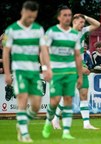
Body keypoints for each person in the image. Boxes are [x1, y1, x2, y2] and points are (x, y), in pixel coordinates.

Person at [2, 1, 52, 142]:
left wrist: (46, 69)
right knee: (22, 101)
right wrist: (7, 73)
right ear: (22, 12)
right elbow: (6, 53)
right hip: (19, 72)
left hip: (34, 72)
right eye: (29, 17)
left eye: (33, 17)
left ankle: (22, 123)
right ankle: (24, 134)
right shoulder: (11, 30)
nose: (31, 20)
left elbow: (43, 51)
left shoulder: (38, 29)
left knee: (36, 104)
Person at [52, 13, 100, 130]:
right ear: (74, 22)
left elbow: (97, 24)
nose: (82, 25)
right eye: (80, 22)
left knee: (83, 94)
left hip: (80, 65)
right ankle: (55, 119)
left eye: (83, 23)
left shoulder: (82, 31)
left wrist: (86, 16)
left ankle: (86, 124)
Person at [42, 5, 83, 139]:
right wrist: (45, 69)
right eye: (64, 15)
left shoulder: (74, 34)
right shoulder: (52, 32)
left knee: (68, 100)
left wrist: (80, 75)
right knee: (54, 101)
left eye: (69, 15)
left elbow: (77, 56)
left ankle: (66, 132)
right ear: (59, 17)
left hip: (70, 72)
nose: (67, 18)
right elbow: (43, 51)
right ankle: (48, 121)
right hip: (55, 72)